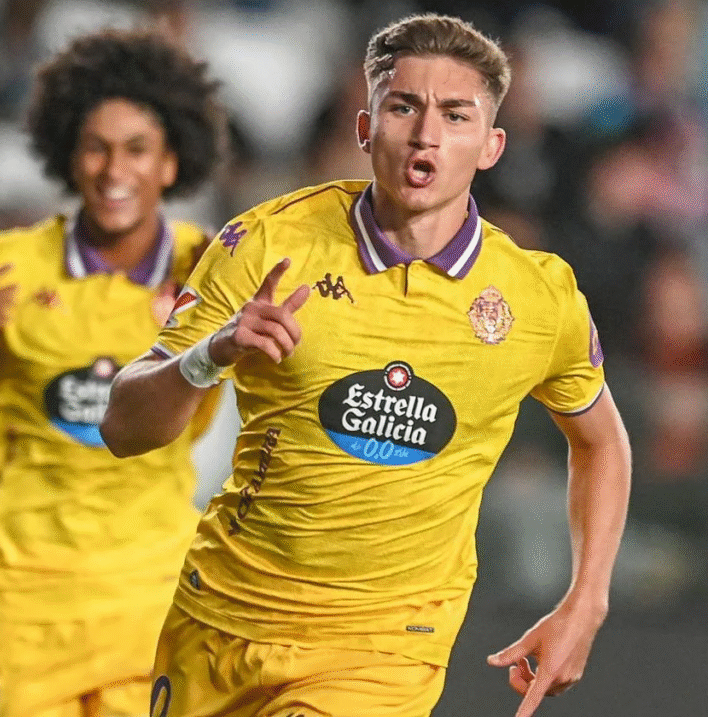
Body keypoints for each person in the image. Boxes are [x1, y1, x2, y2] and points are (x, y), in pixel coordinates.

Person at [100, 13, 631, 717]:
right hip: (222, 619)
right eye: (403, 106)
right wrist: (210, 354)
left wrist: (586, 600)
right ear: (365, 127)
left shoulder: (536, 297)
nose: (426, 134)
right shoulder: (266, 244)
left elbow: (602, 440)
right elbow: (123, 426)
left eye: (455, 114)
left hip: (384, 647)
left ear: (492, 144)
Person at [0, 29, 226, 717]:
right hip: (23, 604)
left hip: (149, 598)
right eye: (95, 146)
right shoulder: (12, 264)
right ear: (68, 152)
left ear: (171, 162)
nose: (112, 169)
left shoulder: (210, 271)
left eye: (136, 149)